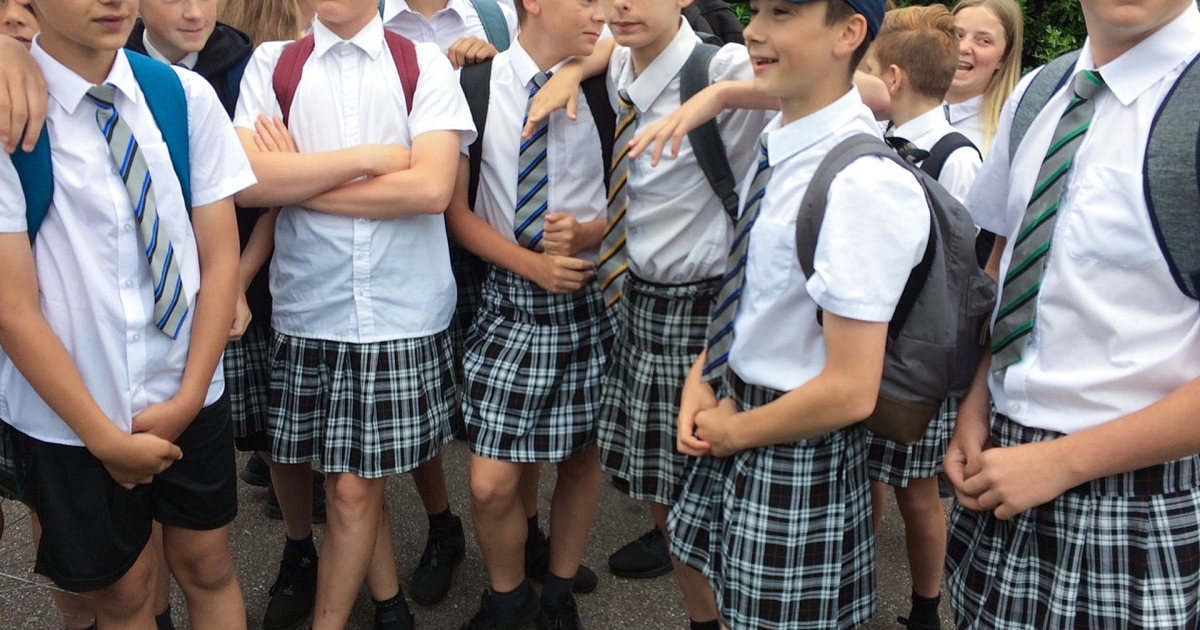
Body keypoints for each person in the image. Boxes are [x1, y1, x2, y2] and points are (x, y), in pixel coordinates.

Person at [635, 0, 929, 625]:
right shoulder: (786, 142)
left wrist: (735, 432)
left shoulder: (862, 183)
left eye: (783, 13)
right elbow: (756, 295)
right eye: (756, 11)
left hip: (793, 448)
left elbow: (851, 389)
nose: (754, 30)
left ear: (849, 32)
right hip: (743, 413)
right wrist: (703, 375)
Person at [943, 0, 1200, 626]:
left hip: (1137, 499)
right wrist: (976, 405)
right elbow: (1011, 268)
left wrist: (1062, 463)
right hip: (998, 470)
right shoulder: (1039, 91)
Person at [0, 0, 256, 627]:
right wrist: (105, 439)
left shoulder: (182, 95)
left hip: (188, 379)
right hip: (74, 409)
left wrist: (188, 399)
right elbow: (12, 308)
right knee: (125, 591)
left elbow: (219, 257)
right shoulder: (12, 119)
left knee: (207, 563)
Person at [231, 0, 474, 626]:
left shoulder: (422, 63)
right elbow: (250, 184)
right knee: (352, 479)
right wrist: (370, 158)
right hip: (311, 305)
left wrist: (300, 182)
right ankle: (390, 605)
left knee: (351, 487)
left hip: (400, 309)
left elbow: (430, 190)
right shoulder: (272, 63)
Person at [580, 0, 770, 626]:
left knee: (715, 499)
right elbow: (607, 49)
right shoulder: (622, 65)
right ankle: (702, 619)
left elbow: (866, 93)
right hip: (639, 302)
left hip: (705, 307)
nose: (621, 5)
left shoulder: (722, 66)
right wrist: (569, 70)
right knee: (663, 495)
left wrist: (722, 97)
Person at [443, 0, 613, 624]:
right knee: (490, 482)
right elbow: (456, 212)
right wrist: (531, 264)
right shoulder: (474, 84)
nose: (603, 12)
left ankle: (558, 594)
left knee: (580, 455)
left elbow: (641, 197)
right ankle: (508, 599)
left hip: (589, 294)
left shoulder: (609, 81)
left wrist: (591, 233)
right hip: (509, 295)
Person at [857, 6, 981, 629]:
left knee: (917, 489)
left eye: (869, 68)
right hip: (869, 337)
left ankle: (927, 607)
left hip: (919, 353)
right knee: (866, 472)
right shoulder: (874, 139)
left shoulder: (957, 156)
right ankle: (856, 582)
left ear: (894, 77)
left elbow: (963, 264)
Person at [944, 0, 1022, 150]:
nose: (963, 47)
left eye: (984, 41)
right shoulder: (901, 110)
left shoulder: (1003, 141)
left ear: (1003, 58)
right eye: (957, 35)